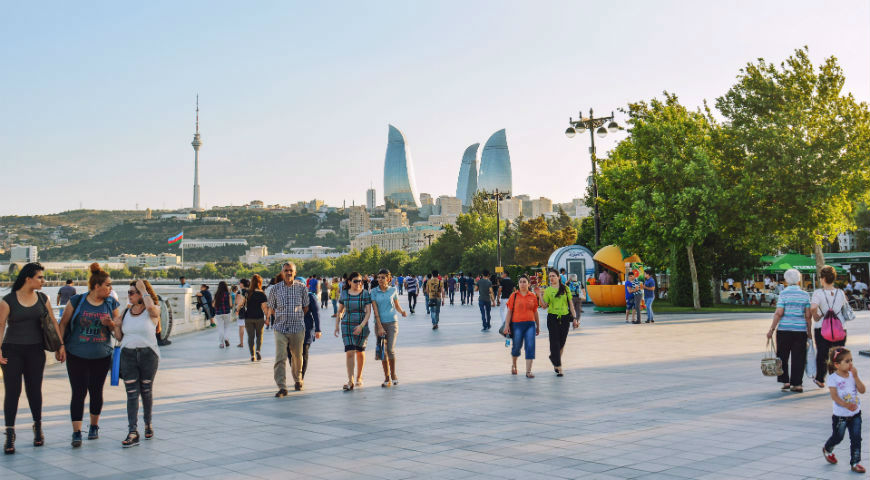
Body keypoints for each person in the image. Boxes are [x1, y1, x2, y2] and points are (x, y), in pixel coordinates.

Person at [1, 263, 64, 454]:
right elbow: (0, 325)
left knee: (34, 390)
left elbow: (53, 321)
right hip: (12, 351)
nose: (43, 281)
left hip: (36, 351)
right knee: (13, 392)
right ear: (28, 278)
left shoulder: (43, 298)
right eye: (40, 277)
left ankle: (38, 427)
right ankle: (10, 434)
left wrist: (60, 345)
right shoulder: (8, 300)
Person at [58, 263, 120, 447]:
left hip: (101, 355)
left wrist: (110, 324)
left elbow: (117, 331)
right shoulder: (77, 301)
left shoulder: (111, 303)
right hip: (76, 354)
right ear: (96, 286)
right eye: (107, 285)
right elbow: (63, 324)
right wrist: (60, 346)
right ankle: (76, 432)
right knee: (78, 392)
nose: (110, 288)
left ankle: (94, 426)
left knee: (96, 391)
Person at [113, 280, 161, 448]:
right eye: (129, 292)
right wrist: (115, 326)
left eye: (133, 292)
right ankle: (133, 431)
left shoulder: (152, 310)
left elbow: (151, 309)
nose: (130, 295)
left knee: (146, 391)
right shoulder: (126, 311)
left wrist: (143, 288)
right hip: (128, 355)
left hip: (148, 355)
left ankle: (148, 423)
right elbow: (119, 337)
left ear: (142, 294)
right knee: (132, 393)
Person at [765, 268, 812, 393]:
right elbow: (808, 315)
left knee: (782, 356)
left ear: (786, 280)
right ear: (798, 280)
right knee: (799, 357)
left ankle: (785, 381)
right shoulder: (805, 295)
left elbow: (779, 313)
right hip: (800, 330)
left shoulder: (784, 294)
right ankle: (797, 384)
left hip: (784, 329)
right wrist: (809, 332)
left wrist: (771, 329)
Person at [267, 263, 310, 397]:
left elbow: (306, 307)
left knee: (297, 356)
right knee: (280, 356)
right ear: (282, 273)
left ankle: (298, 379)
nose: (288, 273)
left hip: (297, 328)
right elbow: (271, 308)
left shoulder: (302, 288)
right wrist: (280, 316)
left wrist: (295, 316)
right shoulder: (275, 289)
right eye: (286, 270)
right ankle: (282, 386)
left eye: (291, 270)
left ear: (295, 272)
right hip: (280, 328)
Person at [822, 347, 866, 473]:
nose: (850, 363)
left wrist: (856, 377)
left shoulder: (853, 375)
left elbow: (862, 390)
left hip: (855, 414)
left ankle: (855, 462)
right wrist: (846, 405)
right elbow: (834, 396)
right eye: (847, 361)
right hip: (840, 416)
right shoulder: (833, 378)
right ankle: (827, 449)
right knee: (838, 437)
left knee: (856, 438)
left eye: (851, 360)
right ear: (836, 364)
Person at [811, 265, 848, 388]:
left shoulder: (818, 293)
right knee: (838, 354)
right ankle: (837, 380)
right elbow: (844, 308)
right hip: (840, 327)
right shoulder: (840, 293)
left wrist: (816, 316)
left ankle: (820, 379)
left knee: (822, 353)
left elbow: (813, 308)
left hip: (822, 328)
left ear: (822, 279)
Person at [335, 272, 372, 391]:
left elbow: (368, 312)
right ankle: (350, 380)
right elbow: (340, 311)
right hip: (347, 325)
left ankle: (359, 376)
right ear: (349, 282)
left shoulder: (365, 294)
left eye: (360, 281)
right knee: (350, 351)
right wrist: (337, 325)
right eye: (355, 281)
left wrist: (361, 326)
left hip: (362, 325)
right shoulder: (344, 294)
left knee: (360, 352)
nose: (358, 283)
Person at [371, 269, 407, 387]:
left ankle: (394, 374)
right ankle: (386, 377)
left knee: (390, 349)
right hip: (379, 324)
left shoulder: (393, 290)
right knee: (383, 351)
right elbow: (375, 310)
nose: (380, 280)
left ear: (388, 279)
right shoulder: (374, 292)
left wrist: (402, 311)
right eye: (379, 277)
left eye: (382, 277)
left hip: (392, 322)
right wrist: (380, 326)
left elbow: (396, 305)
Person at [538, 269, 577, 377]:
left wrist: (574, 318)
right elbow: (544, 306)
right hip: (552, 318)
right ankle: (559, 366)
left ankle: (554, 359)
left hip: (565, 318)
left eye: (553, 276)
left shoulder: (565, 289)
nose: (551, 278)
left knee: (562, 342)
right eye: (550, 276)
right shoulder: (548, 290)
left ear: (558, 277)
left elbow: (571, 304)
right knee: (554, 342)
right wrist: (539, 295)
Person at [503, 275, 540, 378]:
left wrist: (538, 325)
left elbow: (535, 311)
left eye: (524, 282)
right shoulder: (514, 296)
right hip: (516, 325)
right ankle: (514, 365)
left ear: (528, 284)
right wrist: (507, 326)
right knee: (516, 347)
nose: (522, 284)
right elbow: (509, 311)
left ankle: (528, 371)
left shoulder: (532, 296)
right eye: (521, 282)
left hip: (530, 325)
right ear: (518, 284)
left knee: (530, 347)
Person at [289, 284, 320, 382]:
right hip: (290, 329)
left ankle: (300, 377)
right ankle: (296, 373)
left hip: (306, 329)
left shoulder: (310, 297)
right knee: (291, 354)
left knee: (304, 352)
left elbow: (316, 313)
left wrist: (318, 329)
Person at [243, 275, 268, 362]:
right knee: (259, 336)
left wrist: (237, 309)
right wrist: (267, 318)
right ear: (260, 283)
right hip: (259, 318)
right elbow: (265, 308)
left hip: (248, 317)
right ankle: (258, 350)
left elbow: (242, 303)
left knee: (250, 337)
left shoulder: (247, 293)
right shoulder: (262, 294)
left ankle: (252, 355)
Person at [211, 281, 233, 349]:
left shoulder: (217, 294)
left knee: (220, 327)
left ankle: (221, 343)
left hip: (218, 313)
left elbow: (213, 305)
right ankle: (226, 339)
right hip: (227, 312)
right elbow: (231, 305)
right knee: (226, 327)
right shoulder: (228, 294)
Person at [234, 279, 249, 348]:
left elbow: (237, 302)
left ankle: (241, 343)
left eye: (240, 283)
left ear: (242, 284)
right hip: (250, 311)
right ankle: (251, 342)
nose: (239, 285)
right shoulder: (250, 291)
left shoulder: (240, 292)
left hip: (242, 311)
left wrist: (237, 310)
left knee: (241, 327)